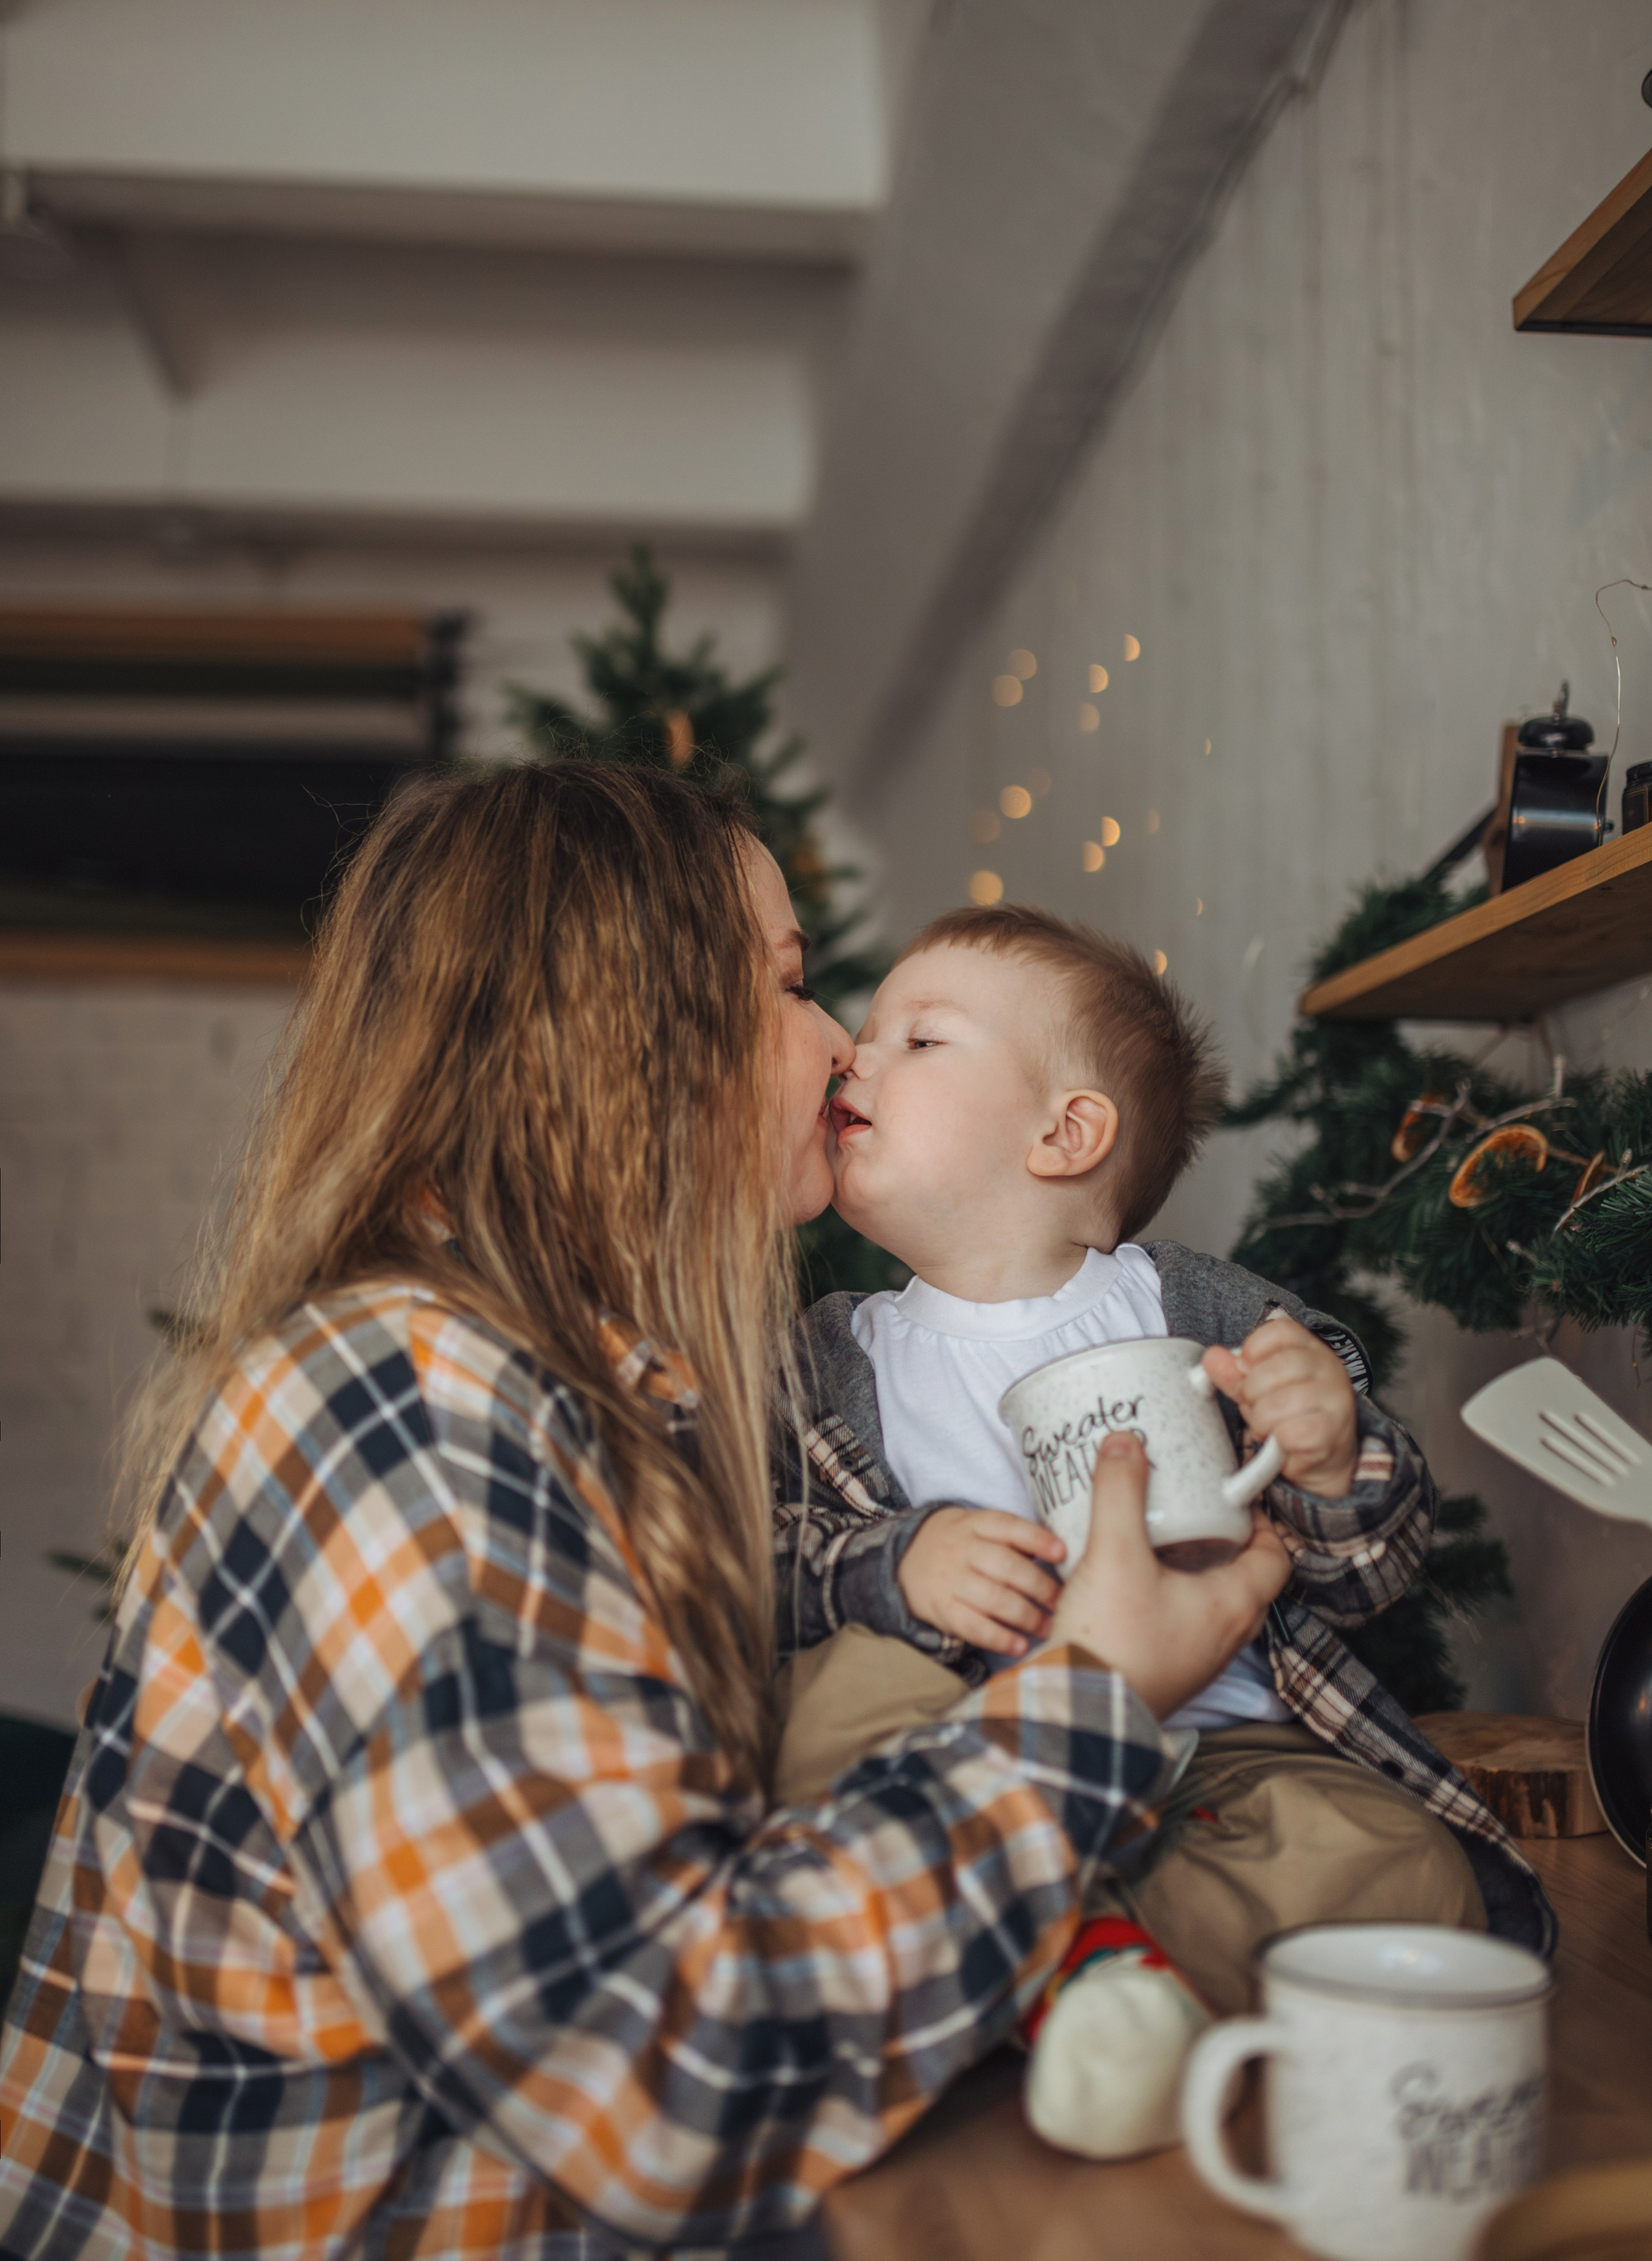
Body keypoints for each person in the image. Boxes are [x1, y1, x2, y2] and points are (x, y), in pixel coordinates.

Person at [0, 764, 1292, 2260]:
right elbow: (666, 2087)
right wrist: (1096, 1698)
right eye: (794, 987)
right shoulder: (421, 1414)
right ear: (626, 1027)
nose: (836, 1046)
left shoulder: (588, 1390)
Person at [771, 902, 1555, 2160]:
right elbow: (750, 1570)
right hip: (966, 1757)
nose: (855, 1058)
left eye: (918, 1040)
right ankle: (1088, 1968)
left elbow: (1366, 1569)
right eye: (867, 1035)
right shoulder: (820, 1356)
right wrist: (892, 1567)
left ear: (1066, 1132)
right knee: (828, 1701)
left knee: (1405, 1865)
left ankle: (1098, 1979)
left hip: (1220, 1752)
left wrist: (1327, 1450)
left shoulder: (1193, 1307)